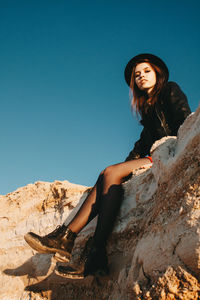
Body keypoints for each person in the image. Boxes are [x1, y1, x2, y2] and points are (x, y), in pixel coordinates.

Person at [24, 53, 191, 279]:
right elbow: (140, 146)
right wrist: (123, 171)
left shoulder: (170, 90)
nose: (141, 77)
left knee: (109, 172)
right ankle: (74, 244)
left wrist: (123, 169)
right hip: (152, 157)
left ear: (157, 73)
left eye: (146, 71)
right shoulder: (148, 110)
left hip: (170, 151)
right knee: (107, 175)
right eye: (137, 75)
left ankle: (74, 242)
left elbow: (185, 123)